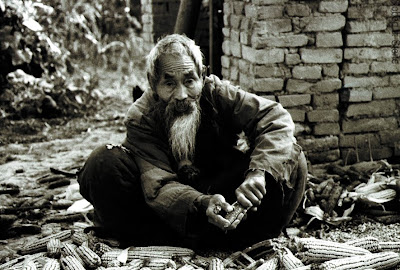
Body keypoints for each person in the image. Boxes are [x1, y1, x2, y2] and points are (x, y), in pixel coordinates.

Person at [77, 34, 307, 249]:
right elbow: (159, 186)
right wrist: (202, 203)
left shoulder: (216, 92)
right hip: (175, 209)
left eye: (189, 81)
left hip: (220, 189)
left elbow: (274, 118)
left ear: (202, 76)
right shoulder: (141, 118)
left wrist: (258, 174)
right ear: (152, 84)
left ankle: (251, 236)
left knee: (292, 157)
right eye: (169, 84)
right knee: (103, 160)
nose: (181, 95)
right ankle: (162, 240)